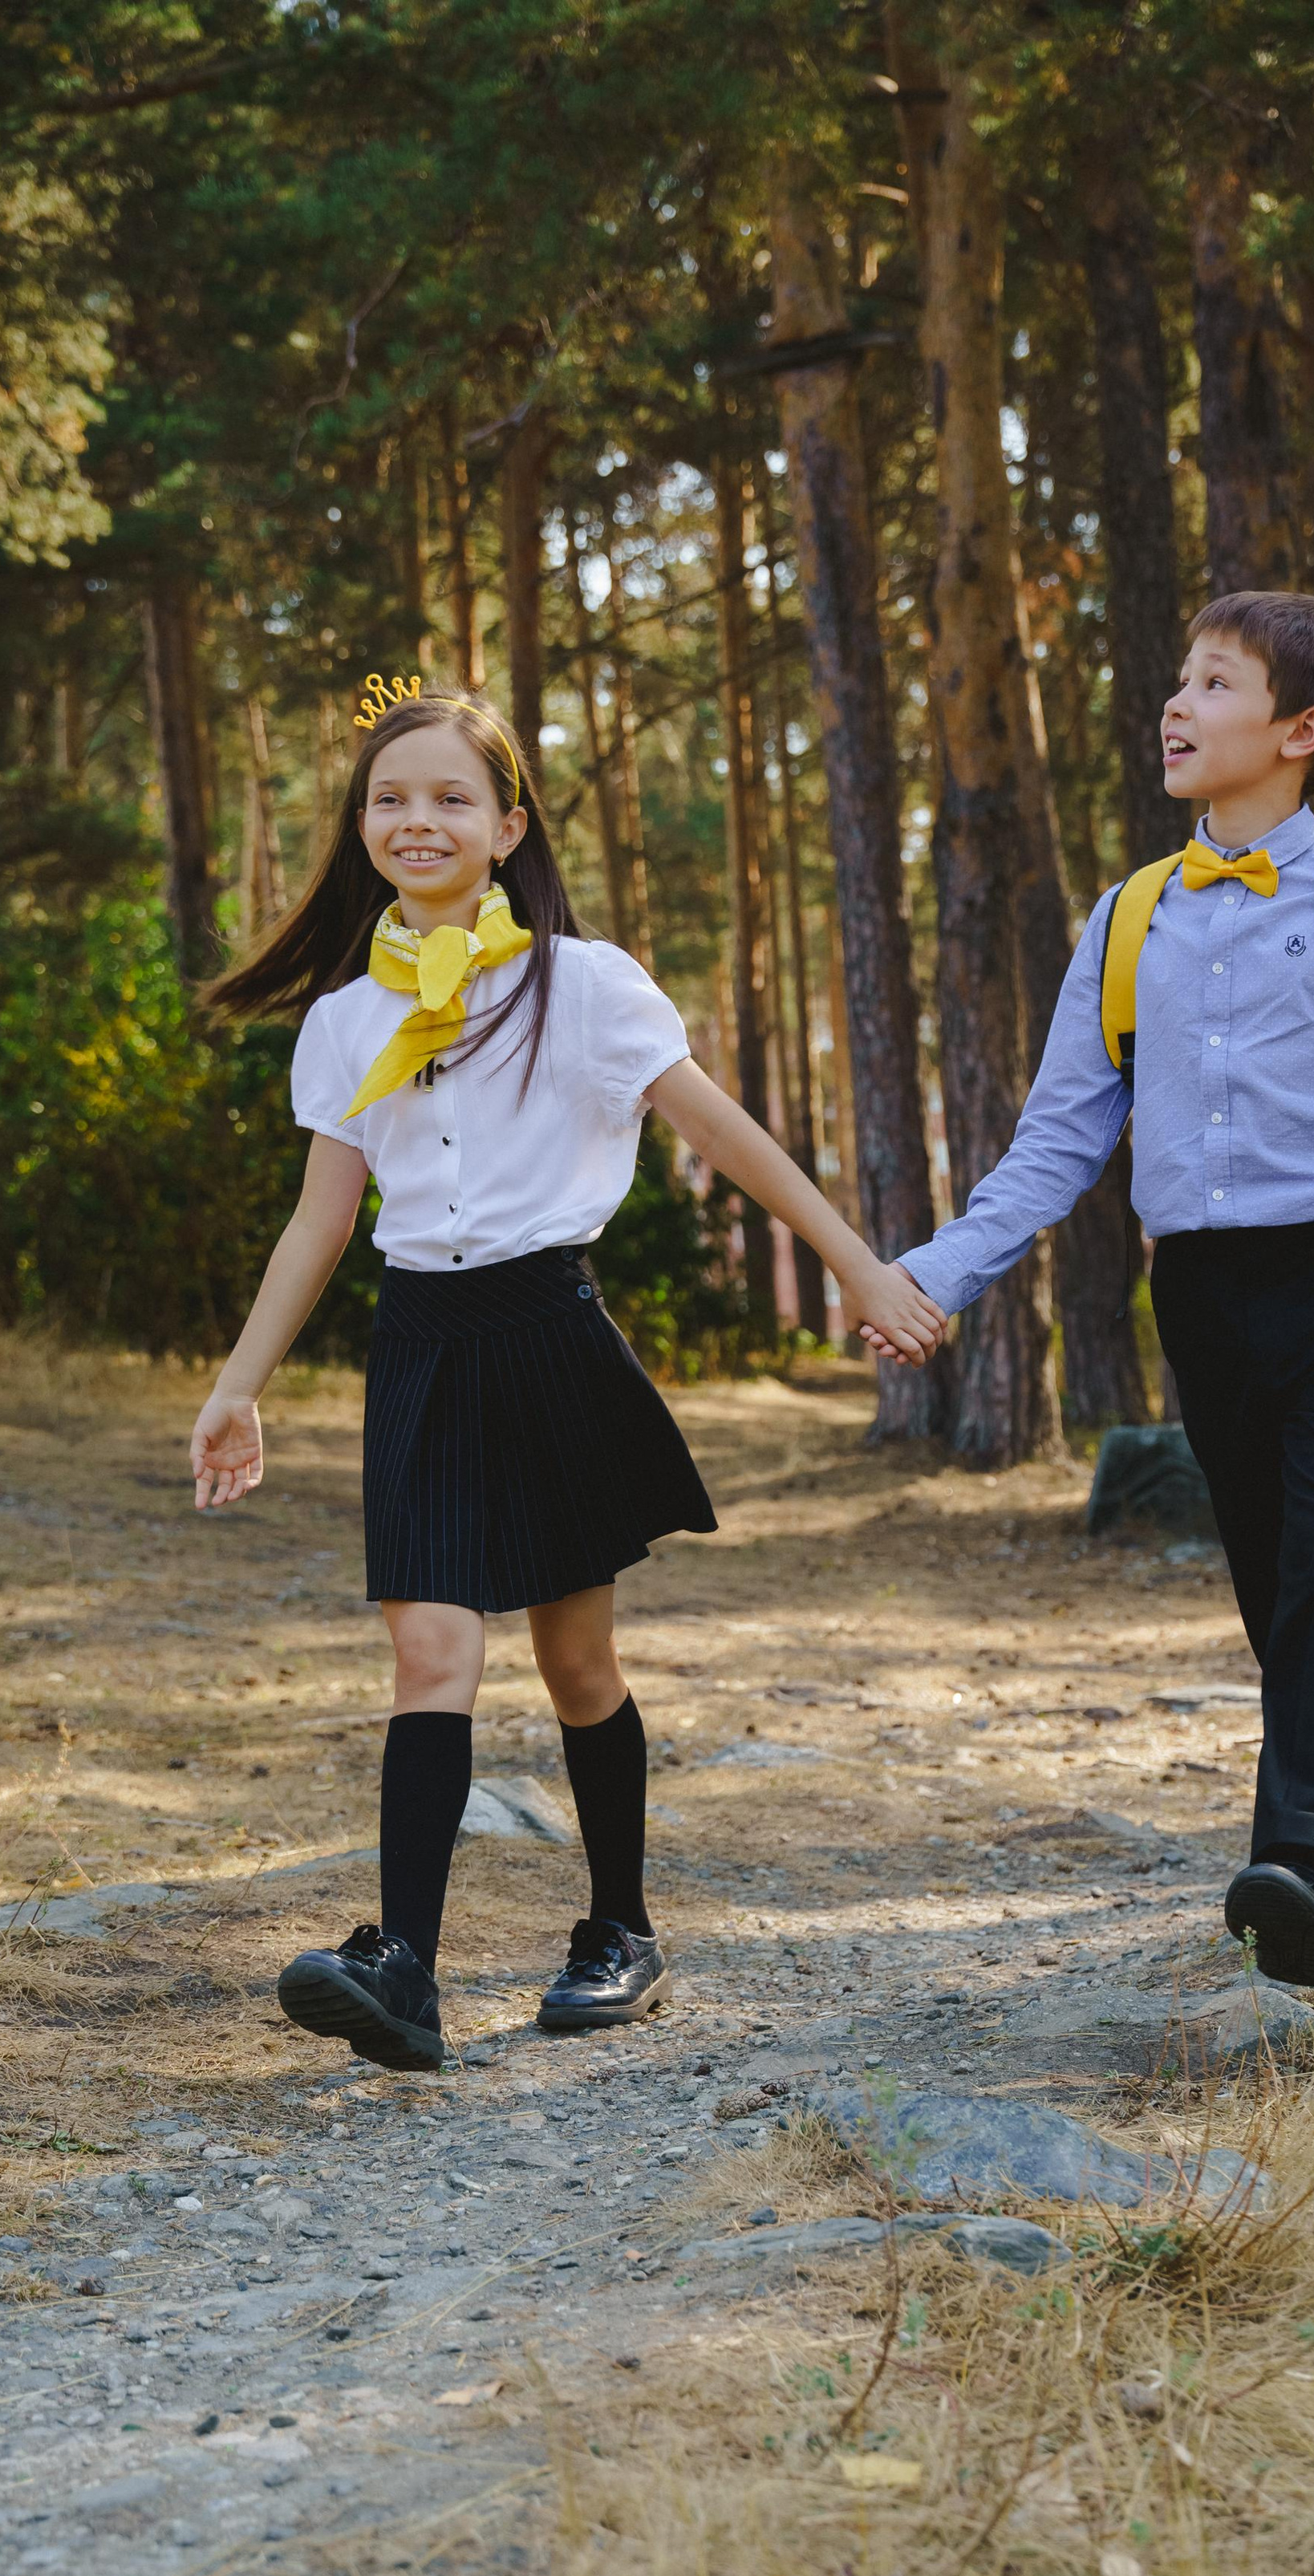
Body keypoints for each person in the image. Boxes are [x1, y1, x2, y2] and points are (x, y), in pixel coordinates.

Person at [191, 680, 942, 2071]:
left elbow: (728, 1137)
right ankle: (403, 1966)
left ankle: (620, 1930)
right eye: (390, 799)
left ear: (507, 823)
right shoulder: (349, 1022)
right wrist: (239, 1383)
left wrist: (858, 1263)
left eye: (449, 797)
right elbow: (321, 1219)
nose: (417, 820)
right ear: (363, 828)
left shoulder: (581, 987)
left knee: (575, 1657)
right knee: (431, 1651)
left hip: (548, 1335)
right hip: (418, 1344)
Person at [866, 594, 1314, 1987]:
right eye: (1179, 677)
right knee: (1280, 1593)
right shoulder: (1130, 915)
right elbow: (1061, 1141)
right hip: (1200, 1293)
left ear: (1300, 730)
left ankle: (1305, 1874)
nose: (1177, 704)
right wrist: (940, 1272)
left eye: (1215, 683)